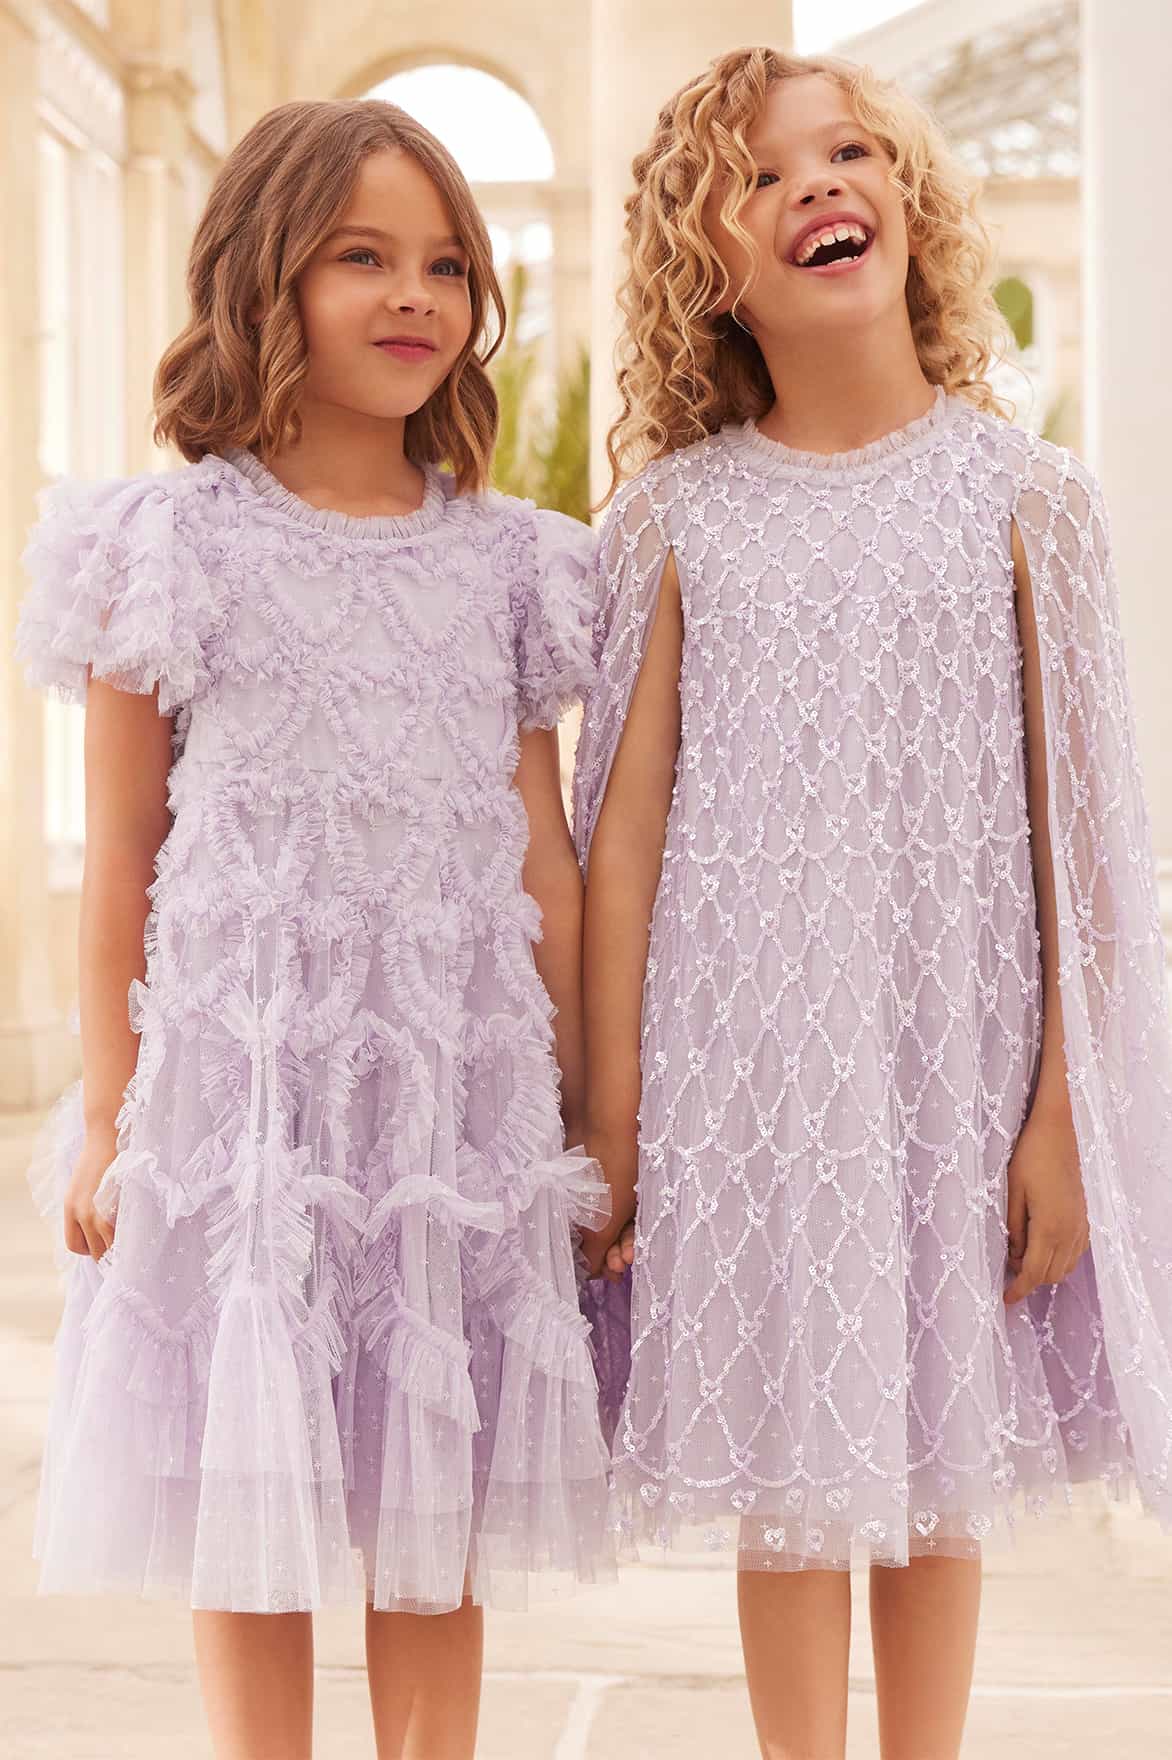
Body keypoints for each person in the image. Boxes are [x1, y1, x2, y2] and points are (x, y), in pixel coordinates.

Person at [574, 46, 1172, 1760]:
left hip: (952, 1061)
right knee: (790, 1469)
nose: (817, 185)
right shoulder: (673, 521)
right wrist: (610, 1112)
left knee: (934, 1462)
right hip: (745, 1070)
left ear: (908, 199)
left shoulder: (1030, 502)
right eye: (760, 177)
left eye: (846, 152)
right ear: (708, 268)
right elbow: (621, 836)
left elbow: (1085, 838)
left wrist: (1061, 1113)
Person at [18, 98, 612, 1760]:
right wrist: (115, 1119)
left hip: (450, 1091)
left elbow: (545, 854)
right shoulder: (166, 545)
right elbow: (122, 859)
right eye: (363, 256)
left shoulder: (507, 565)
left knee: (436, 1496)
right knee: (250, 1472)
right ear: (263, 275)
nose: (414, 294)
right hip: (243, 1088)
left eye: (446, 264)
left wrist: (580, 1111)